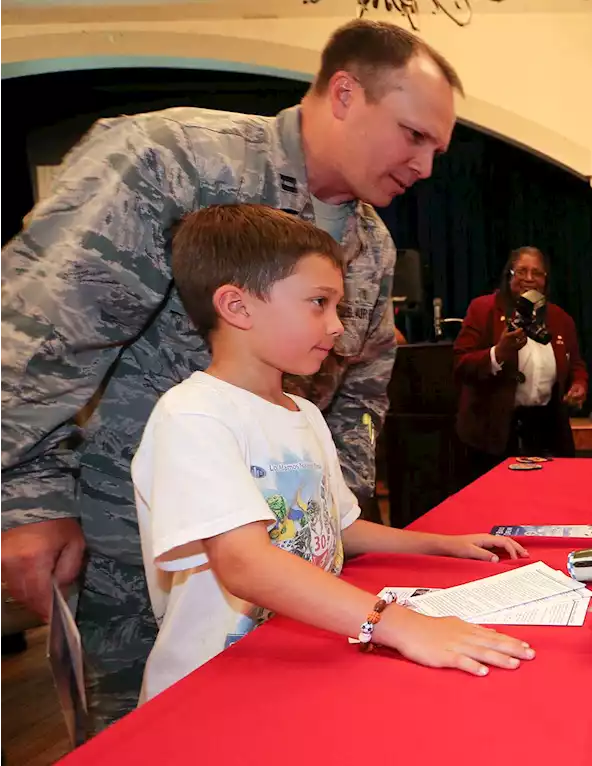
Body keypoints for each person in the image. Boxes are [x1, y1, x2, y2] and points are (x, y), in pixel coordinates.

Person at [0, 19, 462, 735]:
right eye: (414, 135)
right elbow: (37, 329)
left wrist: (335, 533)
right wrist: (25, 498)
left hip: (293, 571)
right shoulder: (174, 160)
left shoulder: (372, 244)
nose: (427, 166)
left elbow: (360, 395)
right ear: (344, 93)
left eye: (438, 147)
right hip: (134, 546)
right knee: (149, 733)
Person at [134, 204, 535, 700]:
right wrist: (398, 625)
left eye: (337, 307)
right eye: (318, 303)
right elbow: (244, 564)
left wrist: (441, 543)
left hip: (298, 664)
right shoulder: (194, 415)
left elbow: (337, 526)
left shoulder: (303, 413)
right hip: (218, 685)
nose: (336, 327)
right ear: (237, 307)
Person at [454, 246, 588, 481]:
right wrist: (498, 353)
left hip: (546, 432)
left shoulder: (560, 318)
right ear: (509, 275)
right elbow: (460, 364)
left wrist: (579, 384)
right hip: (495, 435)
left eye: (537, 273)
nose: (529, 278)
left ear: (545, 280)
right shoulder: (483, 309)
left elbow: (576, 363)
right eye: (522, 271)